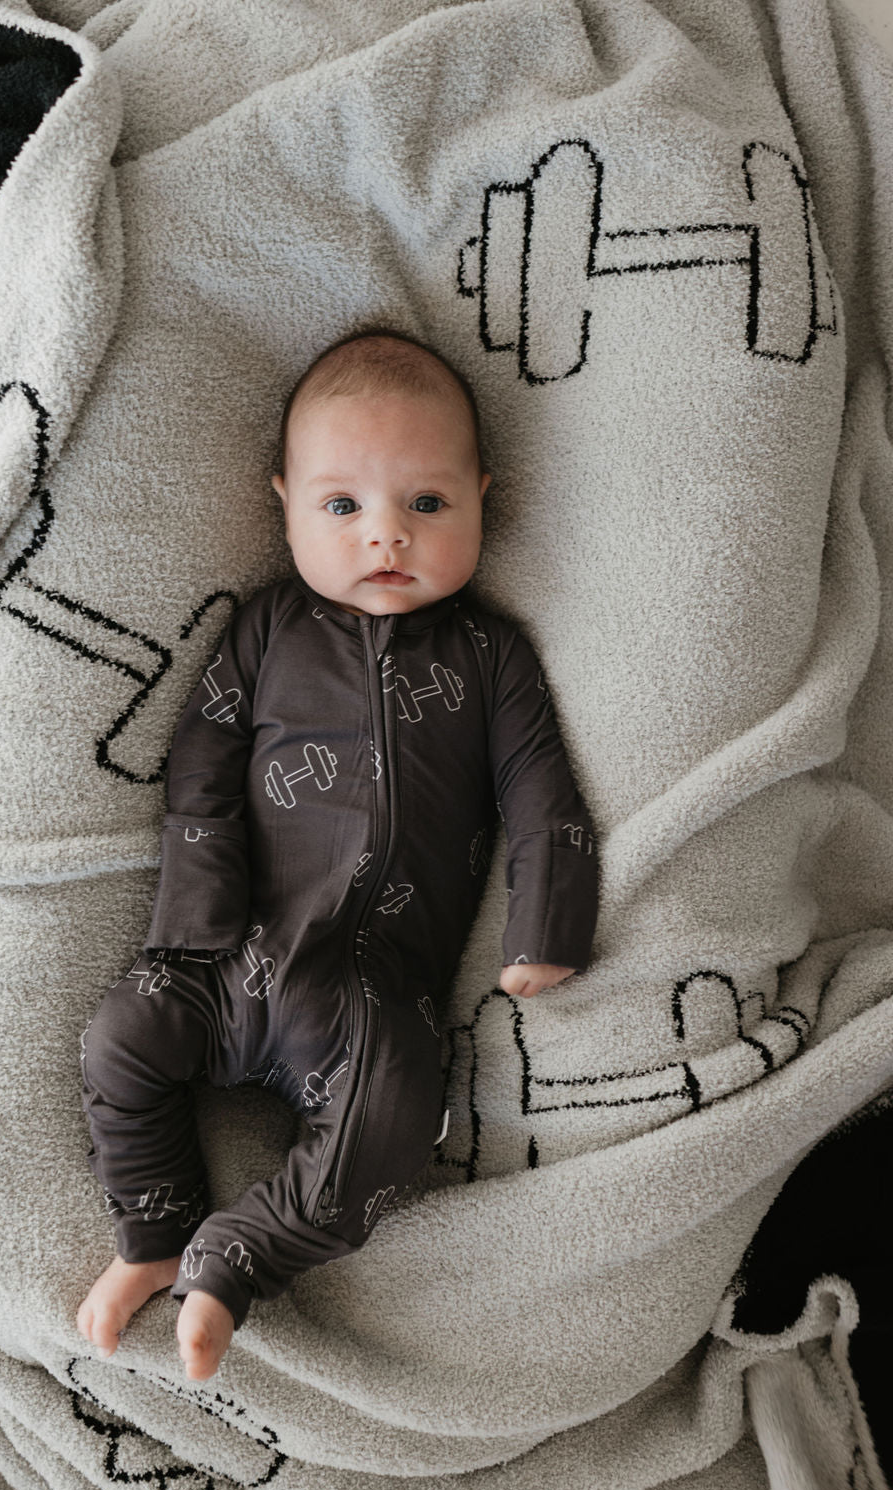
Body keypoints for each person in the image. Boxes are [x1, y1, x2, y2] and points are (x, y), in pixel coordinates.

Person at [75, 330, 599, 1380]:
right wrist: (194, 917)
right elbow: (202, 761)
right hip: (231, 956)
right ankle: (158, 1225)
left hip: (372, 996)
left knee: (398, 1122)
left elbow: (541, 787)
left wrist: (545, 922)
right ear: (285, 505)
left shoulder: (491, 656)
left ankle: (240, 1254)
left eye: (428, 503)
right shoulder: (267, 629)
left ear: (483, 498)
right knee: (119, 1040)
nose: (386, 534)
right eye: (343, 505)